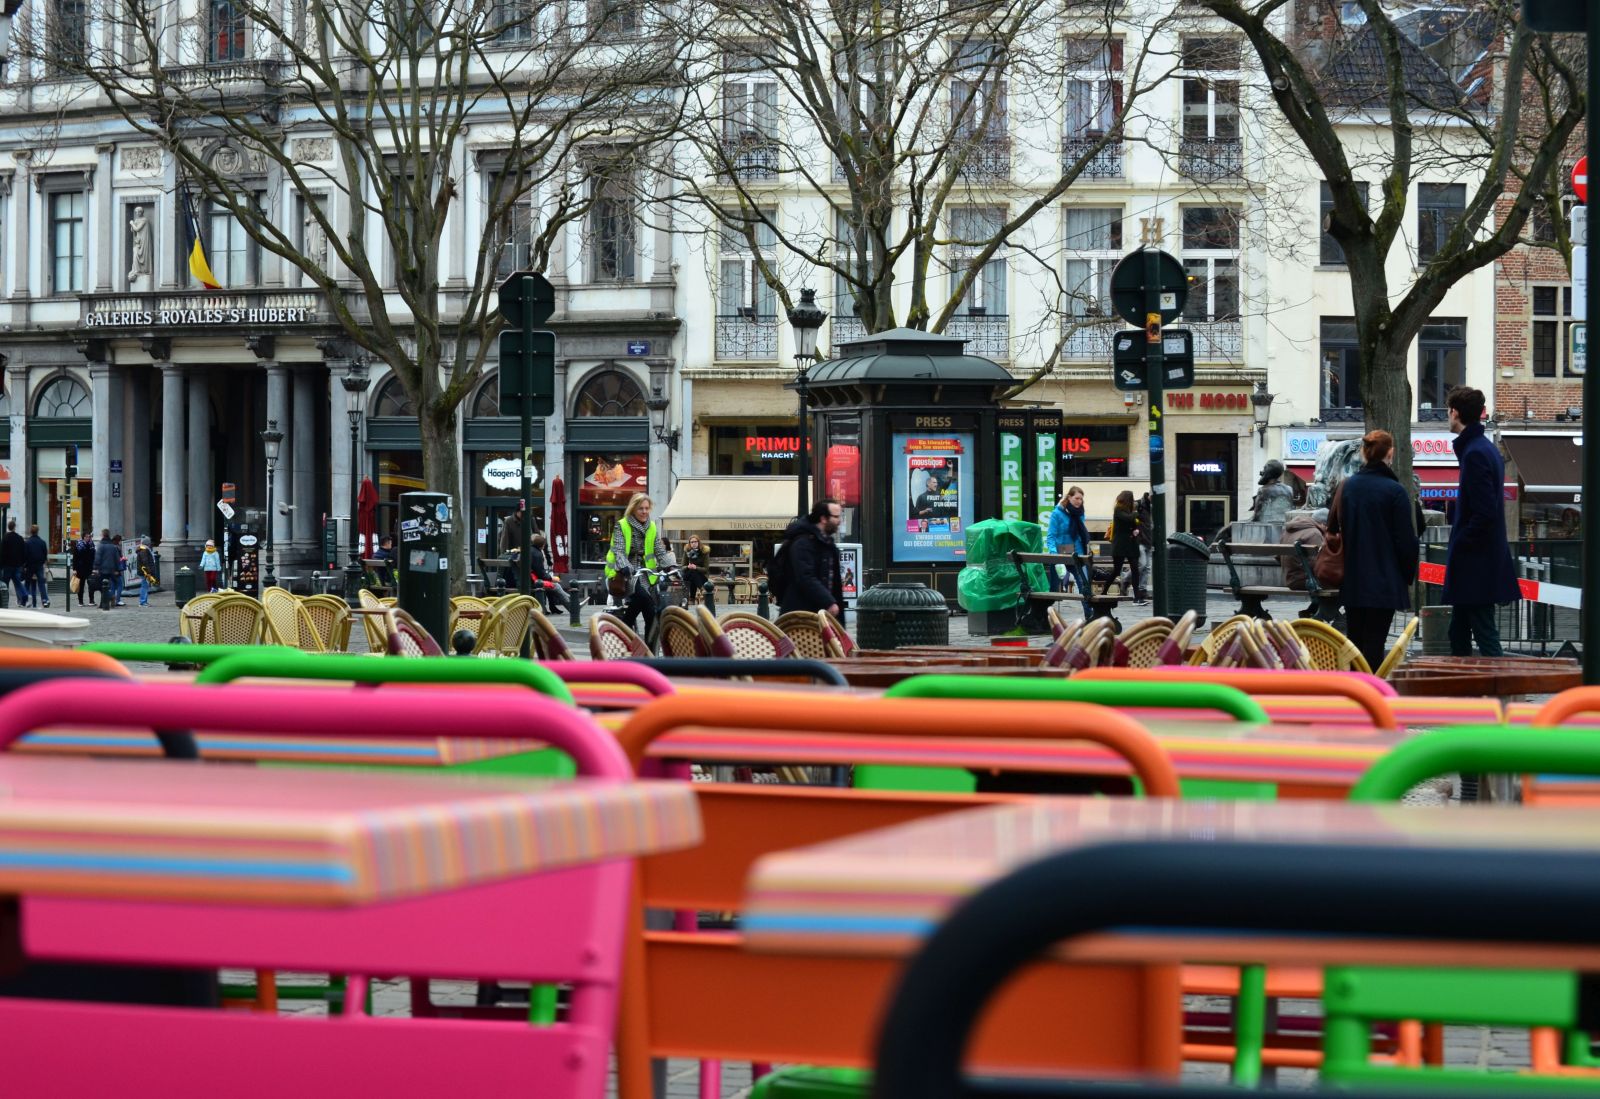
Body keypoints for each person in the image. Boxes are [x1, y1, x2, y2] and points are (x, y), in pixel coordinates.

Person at [1330, 430, 1419, 671]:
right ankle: (1372, 694)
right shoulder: (1394, 491)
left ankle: (1356, 695)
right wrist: (1406, 574)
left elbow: (1334, 527)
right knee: (1375, 644)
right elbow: (1406, 541)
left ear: (1363, 453)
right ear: (1390, 453)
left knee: (1355, 644)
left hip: (1354, 578)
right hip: (1384, 580)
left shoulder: (1348, 487)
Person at [1443, 386, 1520, 656]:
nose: (1447, 416)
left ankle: (1497, 693)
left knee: (1484, 633)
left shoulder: (1475, 453)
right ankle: (1466, 690)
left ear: (1456, 412)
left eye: (1448, 411)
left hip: (1475, 561)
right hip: (1478, 559)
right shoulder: (1483, 449)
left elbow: (1484, 512)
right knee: (1459, 632)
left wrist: (1461, 542)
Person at [606, 493, 670, 639]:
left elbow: (659, 550)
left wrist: (671, 566)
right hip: (625, 574)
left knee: (649, 612)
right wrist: (626, 567)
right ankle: (628, 630)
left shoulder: (652, 526)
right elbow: (619, 551)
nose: (644, 512)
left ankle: (646, 646)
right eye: (641, 508)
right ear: (633, 509)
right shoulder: (621, 525)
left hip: (647, 575)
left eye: (647, 508)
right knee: (646, 601)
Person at [776, 498, 843, 617]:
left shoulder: (827, 543)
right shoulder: (803, 543)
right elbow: (806, 577)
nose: (840, 521)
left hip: (820, 615)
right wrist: (829, 602)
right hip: (801, 616)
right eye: (836, 517)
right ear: (823, 518)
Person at [1044, 487, 1092, 618]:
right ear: (1069, 497)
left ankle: (1090, 616)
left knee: (1085, 586)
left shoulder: (1080, 513)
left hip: (1077, 554)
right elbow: (1051, 536)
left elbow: (1079, 536)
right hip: (1060, 555)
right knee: (1053, 589)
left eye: (1081, 499)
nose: (1079, 501)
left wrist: (1082, 553)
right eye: (1076, 498)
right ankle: (1043, 614)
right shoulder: (1057, 513)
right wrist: (1054, 555)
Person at [1108, 490, 1146, 603]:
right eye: (1131, 499)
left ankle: (1137, 597)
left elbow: (1136, 523)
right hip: (1120, 545)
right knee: (1116, 570)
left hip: (1131, 544)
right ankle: (1104, 592)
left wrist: (1136, 529)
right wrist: (1136, 512)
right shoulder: (1118, 509)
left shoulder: (1130, 511)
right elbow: (1128, 518)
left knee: (1135, 570)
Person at [528, 533, 572, 614]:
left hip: (531, 579)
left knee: (552, 586)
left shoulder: (531, 550)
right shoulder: (537, 554)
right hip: (534, 582)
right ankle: (572, 607)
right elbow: (541, 572)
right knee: (556, 586)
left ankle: (564, 603)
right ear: (542, 545)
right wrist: (551, 578)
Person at [0, 518, 25, 606]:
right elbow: (23, 551)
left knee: (5, 584)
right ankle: (22, 599)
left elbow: (2, 552)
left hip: (7, 565)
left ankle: (4, 602)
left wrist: (1, 565)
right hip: (17, 565)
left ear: (8, 527)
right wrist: (22, 563)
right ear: (14, 527)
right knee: (17, 583)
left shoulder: (5, 538)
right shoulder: (19, 538)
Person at [22, 524, 48, 608]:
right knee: (41, 583)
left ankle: (25, 600)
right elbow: (45, 554)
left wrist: (25, 566)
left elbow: (25, 555)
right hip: (39, 565)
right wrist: (43, 562)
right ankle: (44, 600)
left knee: (27, 583)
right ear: (37, 531)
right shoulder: (42, 542)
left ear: (31, 531)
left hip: (30, 565)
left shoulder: (27, 542)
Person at [94, 529, 119, 611]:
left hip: (103, 569)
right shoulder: (113, 546)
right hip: (111, 569)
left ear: (102, 535)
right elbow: (117, 558)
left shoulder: (101, 545)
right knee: (107, 586)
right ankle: (104, 602)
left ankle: (108, 599)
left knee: (102, 587)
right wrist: (117, 569)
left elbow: (98, 558)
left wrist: (96, 568)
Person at [680, 535, 709, 606]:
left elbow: (706, 569)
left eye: (695, 542)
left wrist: (696, 567)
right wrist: (688, 567)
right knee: (692, 572)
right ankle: (702, 589)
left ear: (699, 542)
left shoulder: (704, 552)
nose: (693, 543)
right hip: (688, 575)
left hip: (701, 577)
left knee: (693, 573)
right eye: (691, 542)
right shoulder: (687, 552)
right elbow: (682, 567)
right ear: (689, 543)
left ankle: (692, 599)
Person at [71, 536, 95, 609]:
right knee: (81, 585)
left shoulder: (91, 545)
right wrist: (74, 569)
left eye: (89, 537)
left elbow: (93, 556)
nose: (88, 538)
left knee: (91, 584)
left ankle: (91, 600)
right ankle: (80, 601)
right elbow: (75, 558)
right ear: (84, 537)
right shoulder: (78, 545)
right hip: (80, 568)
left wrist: (94, 567)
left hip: (89, 568)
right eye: (87, 537)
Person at [135, 538, 156, 607]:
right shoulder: (144, 550)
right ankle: (143, 602)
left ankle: (144, 601)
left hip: (144, 571)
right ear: (147, 544)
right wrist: (149, 571)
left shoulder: (143, 549)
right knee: (144, 586)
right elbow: (145, 562)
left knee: (145, 586)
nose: (150, 545)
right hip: (145, 572)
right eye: (150, 544)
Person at [111, 534, 127, 606]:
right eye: (120, 540)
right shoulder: (116, 548)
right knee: (120, 585)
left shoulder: (111, 547)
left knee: (113, 586)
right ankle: (118, 600)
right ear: (118, 541)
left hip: (111, 569)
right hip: (116, 569)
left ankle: (112, 600)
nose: (121, 542)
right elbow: (117, 559)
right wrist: (123, 559)